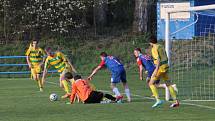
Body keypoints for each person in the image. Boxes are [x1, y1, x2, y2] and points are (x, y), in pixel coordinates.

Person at [149, 36, 179, 108]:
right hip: (166, 66)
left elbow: (158, 59)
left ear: (151, 43)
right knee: (168, 84)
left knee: (151, 83)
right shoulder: (160, 46)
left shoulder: (154, 48)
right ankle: (176, 101)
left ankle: (158, 100)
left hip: (160, 67)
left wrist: (156, 70)